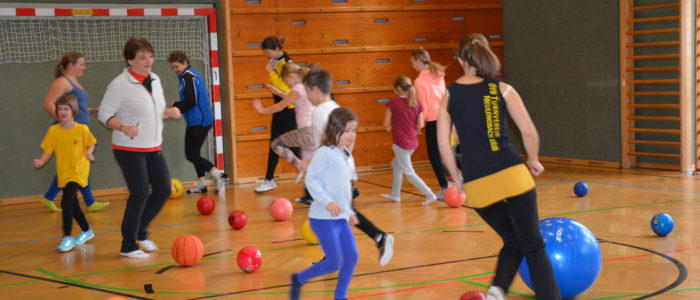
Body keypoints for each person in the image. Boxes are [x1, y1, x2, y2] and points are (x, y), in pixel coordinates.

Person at [436, 33, 561, 300]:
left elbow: (444, 146)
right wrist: (534, 158)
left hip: (478, 185)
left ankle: (496, 292)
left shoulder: (449, 96)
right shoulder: (502, 89)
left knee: (514, 239)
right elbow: (528, 132)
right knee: (533, 246)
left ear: (459, 59)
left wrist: (456, 179)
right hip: (513, 175)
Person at [98, 36, 182, 259]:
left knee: (163, 189)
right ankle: (128, 245)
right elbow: (105, 114)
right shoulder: (119, 84)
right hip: (128, 148)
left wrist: (168, 113)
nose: (149, 61)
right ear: (130, 60)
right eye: (143, 57)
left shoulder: (154, 79)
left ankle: (141, 230)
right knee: (140, 193)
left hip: (153, 146)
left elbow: (152, 112)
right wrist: (123, 127)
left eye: (151, 56)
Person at [301, 67, 394, 266]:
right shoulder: (336, 107)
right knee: (339, 212)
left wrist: (312, 164)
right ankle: (337, 255)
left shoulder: (319, 112)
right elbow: (350, 138)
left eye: (307, 92)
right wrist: (346, 162)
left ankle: (379, 236)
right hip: (342, 169)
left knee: (335, 212)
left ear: (315, 90)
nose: (307, 96)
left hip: (332, 173)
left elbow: (326, 145)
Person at [290, 107, 360, 300]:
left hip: (340, 219)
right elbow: (311, 180)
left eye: (354, 131)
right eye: (347, 131)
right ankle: (299, 278)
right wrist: (327, 202)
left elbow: (344, 189)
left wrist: (349, 212)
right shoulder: (324, 153)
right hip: (322, 218)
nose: (351, 135)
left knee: (352, 257)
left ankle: (340, 297)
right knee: (333, 261)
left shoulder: (346, 155)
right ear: (335, 130)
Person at [40, 51, 109, 212]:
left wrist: (89, 111)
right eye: (81, 64)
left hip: (79, 132)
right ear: (71, 66)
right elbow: (48, 103)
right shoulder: (61, 82)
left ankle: (49, 197)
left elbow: (75, 107)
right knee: (76, 167)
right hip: (70, 134)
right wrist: (64, 121)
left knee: (75, 167)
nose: (84, 68)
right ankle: (90, 202)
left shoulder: (74, 82)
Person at [34, 95, 96, 252]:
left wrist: (89, 153)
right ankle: (87, 230)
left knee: (66, 201)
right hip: (63, 172)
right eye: (60, 109)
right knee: (73, 204)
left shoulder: (82, 129)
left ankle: (67, 237)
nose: (62, 112)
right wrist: (41, 161)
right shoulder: (53, 131)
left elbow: (91, 143)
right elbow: (48, 150)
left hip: (78, 171)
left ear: (73, 111)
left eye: (66, 109)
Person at [167, 50, 228, 194]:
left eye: (177, 66)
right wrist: (178, 104)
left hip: (200, 121)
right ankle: (201, 184)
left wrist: (176, 105)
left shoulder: (189, 76)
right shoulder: (184, 76)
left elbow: (191, 101)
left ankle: (218, 175)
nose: (175, 70)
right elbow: (190, 99)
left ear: (185, 63)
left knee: (191, 155)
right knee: (194, 153)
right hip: (195, 121)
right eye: (173, 68)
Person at [251, 62, 315, 183]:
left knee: (277, 145)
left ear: (291, 76)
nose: (286, 84)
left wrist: (262, 110)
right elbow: (293, 99)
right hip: (311, 130)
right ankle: (303, 168)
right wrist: (278, 92)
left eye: (285, 81)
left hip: (308, 131)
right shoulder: (304, 86)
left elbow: (280, 106)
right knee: (314, 165)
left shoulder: (298, 88)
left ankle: (301, 165)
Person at [381, 75, 437, 205]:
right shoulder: (417, 103)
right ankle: (395, 194)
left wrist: (388, 126)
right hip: (412, 143)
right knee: (396, 165)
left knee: (409, 172)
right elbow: (421, 124)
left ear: (399, 88)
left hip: (401, 143)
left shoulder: (394, 103)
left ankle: (429, 194)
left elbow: (386, 122)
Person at [254, 35, 299, 193]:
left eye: (268, 53)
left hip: (289, 109)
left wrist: (272, 73)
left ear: (276, 49)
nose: (266, 56)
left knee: (293, 146)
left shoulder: (288, 64)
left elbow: (287, 90)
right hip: (280, 108)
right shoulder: (275, 62)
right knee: (274, 144)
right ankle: (269, 179)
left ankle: (309, 173)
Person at [411, 49, 449, 200]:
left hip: (433, 119)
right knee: (446, 152)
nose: (413, 66)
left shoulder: (419, 81)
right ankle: (458, 182)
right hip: (446, 117)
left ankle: (445, 187)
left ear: (419, 60)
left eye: (413, 62)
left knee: (433, 155)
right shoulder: (439, 75)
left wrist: (420, 123)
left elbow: (422, 105)